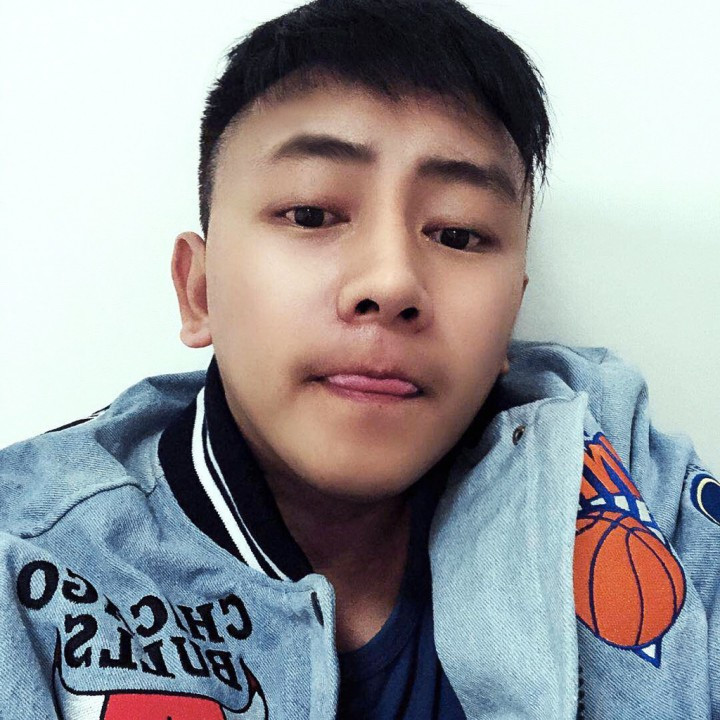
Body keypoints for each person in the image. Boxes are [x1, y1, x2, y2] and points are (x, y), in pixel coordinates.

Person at [0, 0, 717, 718]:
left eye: (458, 234)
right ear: (200, 291)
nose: (392, 283)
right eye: (311, 214)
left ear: (510, 318)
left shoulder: (613, 466)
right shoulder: (29, 553)